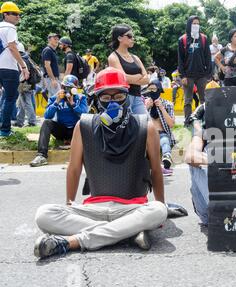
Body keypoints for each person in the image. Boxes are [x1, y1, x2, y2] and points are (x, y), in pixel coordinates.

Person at [33, 68, 167, 259]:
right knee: (44, 214)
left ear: (127, 97)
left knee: (158, 210)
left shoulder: (146, 126)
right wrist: (69, 203)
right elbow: (74, 169)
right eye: (105, 98)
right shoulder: (83, 126)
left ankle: (71, 242)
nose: (113, 102)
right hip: (92, 210)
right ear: (96, 100)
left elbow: (155, 170)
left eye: (119, 95)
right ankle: (126, 233)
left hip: (132, 208)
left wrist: (161, 204)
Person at [30, 75, 88, 167]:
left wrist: (73, 104)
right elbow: (47, 116)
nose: (68, 90)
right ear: (62, 87)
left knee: (85, 123)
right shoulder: (54, 98)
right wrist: (56, 102)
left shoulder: (81, 98)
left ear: (75, 89)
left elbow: (85, 115)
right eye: (65, 87)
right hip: (62, 130)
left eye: (71, 88)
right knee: (47, 123)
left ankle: (87, 154)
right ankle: (41, 155)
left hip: (76, 130)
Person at [0, 1, 29, 137]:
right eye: (14, 14)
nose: (18, 16)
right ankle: (5, 130)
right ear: (5, 14)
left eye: (18, 14)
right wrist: (23, 66)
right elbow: (12, 47)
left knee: (5, 97)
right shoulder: (10, 28)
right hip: (8, 68)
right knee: (11, 98)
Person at [177, 16, 212, 126]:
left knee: (204, 100)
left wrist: (208, 74)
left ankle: (205, 120)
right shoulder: (182, 39)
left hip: (202, 75)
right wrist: (182, 76)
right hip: (188, 75)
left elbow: (207, 56)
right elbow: (180, 59)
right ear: (189, 25)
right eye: (194, 23)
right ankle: (188, 121)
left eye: (198, 23)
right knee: (188, 100)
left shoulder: (204, 38)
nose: (196, 25)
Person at [108, 24, 148, 115]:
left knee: (145, 125)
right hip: (123, 98)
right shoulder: (113, 57)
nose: (133, 39)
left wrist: (131, 79)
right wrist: (139, 76)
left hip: (138, 97)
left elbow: (147, 79)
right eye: (129, 36)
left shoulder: (135, 57)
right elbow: (123, 78)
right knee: (127, 127)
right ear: (119, 38)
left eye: (133, 36)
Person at [143, 79, 175, 173]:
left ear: (159, 90)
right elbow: (139, 121)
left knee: (164, 141)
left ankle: (166, 158)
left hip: (161, 133)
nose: (152, 92)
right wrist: (146, 108)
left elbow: (171, 124)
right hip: (147, 133)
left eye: (154, 89)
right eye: (150, 89)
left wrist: (161, 108)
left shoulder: (167, 104)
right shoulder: (143, 103)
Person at [15, 42, 37, 127]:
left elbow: (22, 74)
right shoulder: (27, 58)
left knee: (26, 102)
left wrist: (18, 84)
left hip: (24, 84)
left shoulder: (21, 59)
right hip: (29, 83)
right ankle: (19, 121)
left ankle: (32, 122)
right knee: (21, 102)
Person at [41, 33, 61, 98]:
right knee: (58, 97)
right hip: (51, 78)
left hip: (53, 78)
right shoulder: (48, 50)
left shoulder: (52, 51)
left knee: (52, 99)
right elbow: (47, 65)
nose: (57, 40)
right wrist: (53, 79)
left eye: (58, 39)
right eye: (55, 39)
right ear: (49, 40)